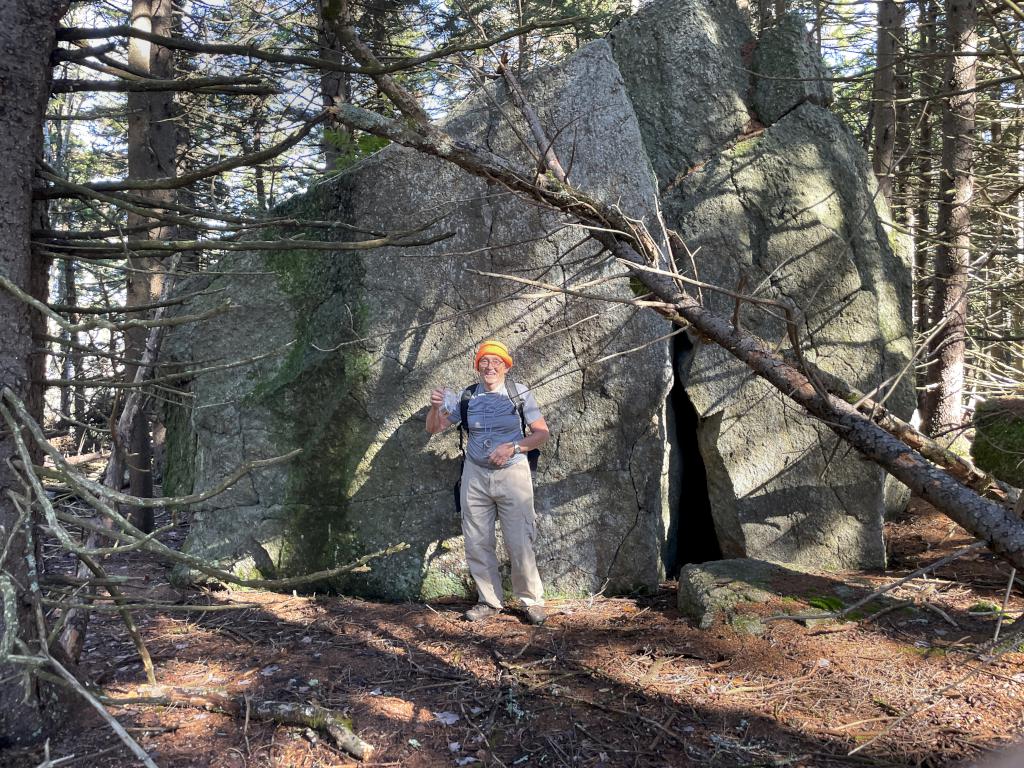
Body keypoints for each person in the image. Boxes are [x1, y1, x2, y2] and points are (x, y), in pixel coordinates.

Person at [426, 339, 550, 624]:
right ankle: (489, 601)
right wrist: (434, 408)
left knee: (519, 540)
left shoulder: (519, 394)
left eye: (496, 362)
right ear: (477, 366)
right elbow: (435, 429)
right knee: (476, 541)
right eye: (484, 361)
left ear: (506, 367)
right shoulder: (467, 397)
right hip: (475, 475)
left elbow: (541, 433)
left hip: (513, 473)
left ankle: (532, 601)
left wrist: (514, 447)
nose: (490, 366)